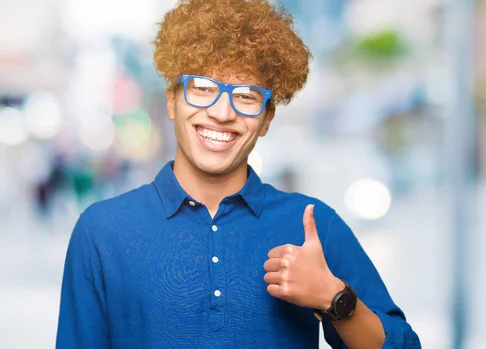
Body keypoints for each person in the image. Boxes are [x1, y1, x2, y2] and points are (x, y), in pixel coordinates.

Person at [56, 0, 421, 348]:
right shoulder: (101, 232)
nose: (221, 112)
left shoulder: (312, 224)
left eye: (246, 96)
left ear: (266, 119)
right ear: (171, 100)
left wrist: (334, 297)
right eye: (203, 88)